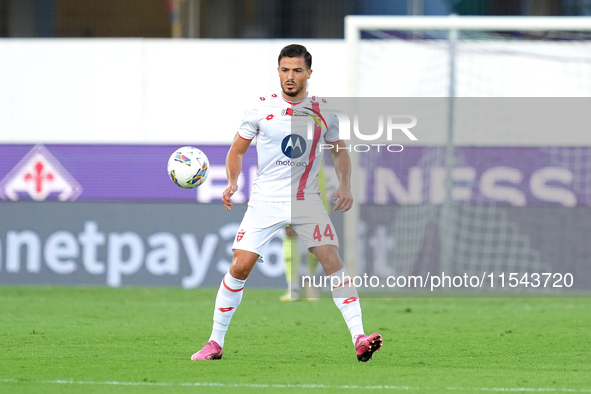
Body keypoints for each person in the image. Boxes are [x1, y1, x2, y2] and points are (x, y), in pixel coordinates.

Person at [191, 44, 382, 362]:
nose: (290, 76)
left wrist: (345, 184)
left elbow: (340, 151)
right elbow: (236, 151)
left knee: (332, 261)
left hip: (306, 200)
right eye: (284, 70)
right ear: (278, 71)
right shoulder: (260, 108)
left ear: (309, 72)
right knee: (240, 266)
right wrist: (233, 182)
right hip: (265, 201)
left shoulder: (324, 112)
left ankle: (359, 337)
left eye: (296, 70)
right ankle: (215, 343)